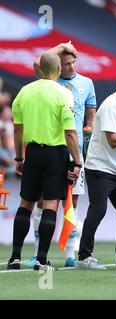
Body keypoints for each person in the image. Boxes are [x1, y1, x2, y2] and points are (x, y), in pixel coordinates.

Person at [7, 52, 81, 270]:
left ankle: (15, 257)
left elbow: (18, 129)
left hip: (32, 153)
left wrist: (20, 156)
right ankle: (41, 260)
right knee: (50, 205)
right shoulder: (63, 93)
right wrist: (77, 162)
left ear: (40, 69)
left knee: (25, 204)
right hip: (55, 154)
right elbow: (70, 132)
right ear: (58, 69)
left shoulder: (24, 92)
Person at [28, 42, 97, 268]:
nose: (72, 67)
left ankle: (70, 253)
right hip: (52, 147)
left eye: (74, 62)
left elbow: (90, 112)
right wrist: (60, 47)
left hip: (74, 149)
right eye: (67, 63)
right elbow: (38, 63)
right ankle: (39, 253)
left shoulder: (86, 83)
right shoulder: (51, 81)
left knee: (73, 201)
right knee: (43, 200)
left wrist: (89, 127)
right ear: (59, 65)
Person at [76, 67, 116, 269]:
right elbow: (113, 140)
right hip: (99, 167)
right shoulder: (113, 105)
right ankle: (84, 257)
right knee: (99, 209)